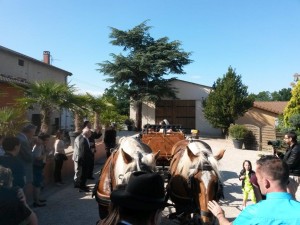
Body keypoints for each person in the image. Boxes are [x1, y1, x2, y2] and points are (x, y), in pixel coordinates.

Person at [208, 155, 300, 225]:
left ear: (266, 183)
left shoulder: (253, 212)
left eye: (258, 179)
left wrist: (220, 215)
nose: (257, 182)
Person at [279, 131, 300, 200]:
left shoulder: (296, 148)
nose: (284, 140)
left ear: (290, 139)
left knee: (290, 197)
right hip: (289, 173)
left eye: (285, 138)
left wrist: (279, 167)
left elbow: (290, 163)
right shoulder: (290, 148)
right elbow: (286, 160)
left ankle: (294, 210)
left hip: (293, 175)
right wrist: (279, 154)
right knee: (287, 195)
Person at [17, 124, 37, 197]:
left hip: (20, 167)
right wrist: (36, 149)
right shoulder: (23, 140)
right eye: (34, 132)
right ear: (30, 131)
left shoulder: (21, 138)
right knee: (22, 189)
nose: (34, 134)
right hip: (23, 168)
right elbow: (29, 157)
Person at [32, 133, 50, 207]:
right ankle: (36, 202)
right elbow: (38, 157)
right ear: (43, 140)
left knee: (39, 184)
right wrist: (46, 153)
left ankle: (38, 199)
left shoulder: (41, 146)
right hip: (37, 167)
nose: (48, 141)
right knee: (37, 185)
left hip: (39, 166)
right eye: (47, 140)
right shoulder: (38, 146)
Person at [72, 127, 92, 192]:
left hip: (84, 159)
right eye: (90, 132)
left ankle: (83, 185)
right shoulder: (82, 139)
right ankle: (80, 186)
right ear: (87, 133)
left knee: (84, 174)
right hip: (82, 159)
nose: (91, 134)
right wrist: (85, 160)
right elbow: (82, 151)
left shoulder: (85, 138)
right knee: (81, 173)